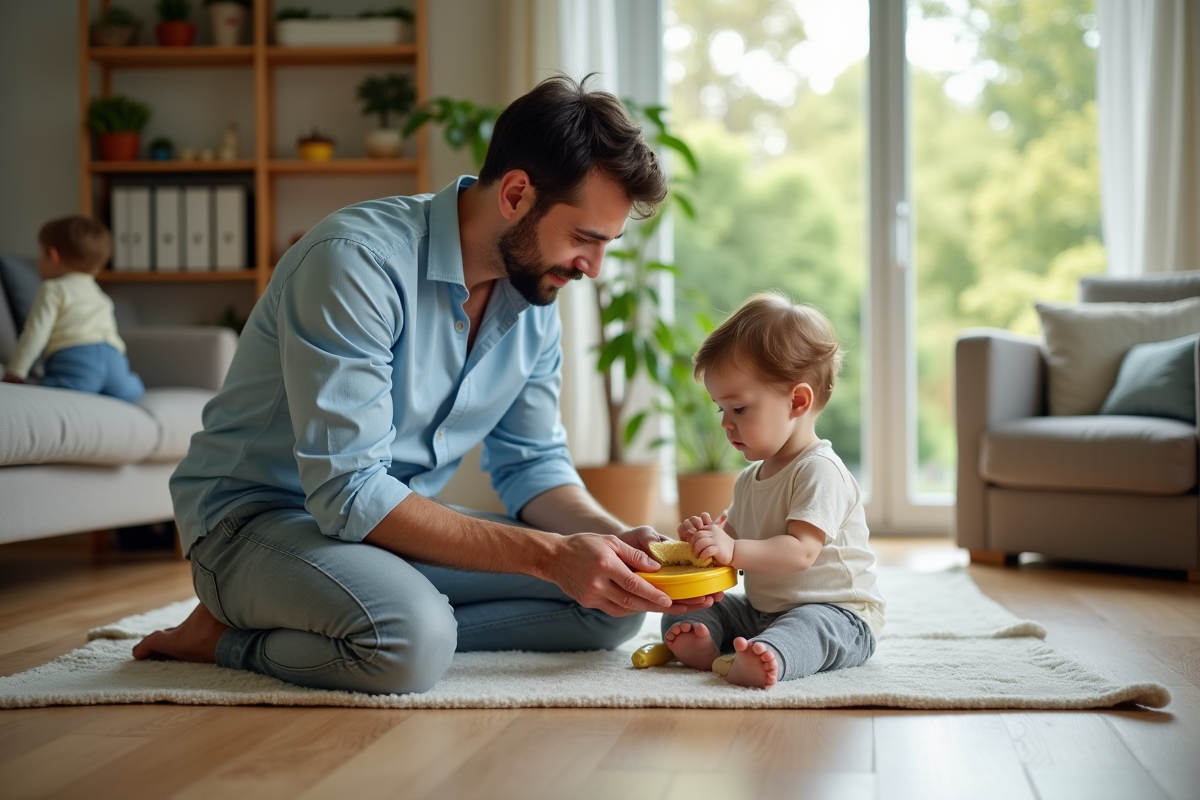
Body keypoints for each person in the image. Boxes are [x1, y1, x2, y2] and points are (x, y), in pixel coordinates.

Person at [132, 75, 722, 695]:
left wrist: (614, 545)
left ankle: (368, 612)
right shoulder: (355, 261)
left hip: (388, 529)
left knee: (603, 607)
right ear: (517, 193)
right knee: (412, 643)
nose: (593, 269)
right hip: (254, 525)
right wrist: (549, 557)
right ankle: (225, 634)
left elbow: (534, 467)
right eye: (584, 238)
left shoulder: (532, 300)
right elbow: (348, 492)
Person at [662, 292, 884, 689]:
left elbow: (799, 552)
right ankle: (708, 645)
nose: (726, 424)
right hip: (763, 612)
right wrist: (706, 542)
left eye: (740, 409)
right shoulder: (750, 478)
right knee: (689, 609)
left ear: (797, 401)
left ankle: (771, 658)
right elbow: (734, 541)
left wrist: (731, 548)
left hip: (838, 614)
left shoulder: (820, 470)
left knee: (808, 627)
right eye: (721, 410)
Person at [2, 216, 144, 402]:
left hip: (77, 360)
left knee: (47, 390)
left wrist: (15, 372)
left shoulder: (52, 289)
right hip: (114, 360)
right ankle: (132, 388)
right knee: (131, 392)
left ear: (53, 256)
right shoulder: (100, 295)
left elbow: (35, 335)